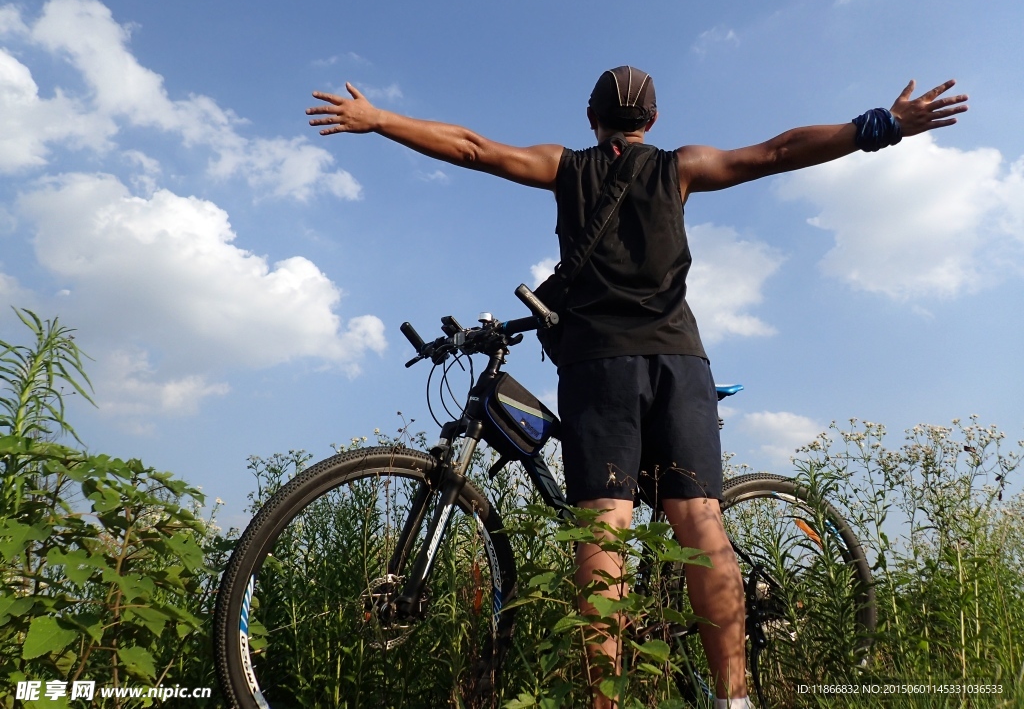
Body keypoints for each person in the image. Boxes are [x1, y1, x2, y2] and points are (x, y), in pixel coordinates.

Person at [306, 67, 967, 709]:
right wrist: (878, 126)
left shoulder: (567, 168)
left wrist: (379, 119)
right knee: (699, 524)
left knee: (605, 528)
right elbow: (777, 150)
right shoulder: (681, 167)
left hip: (599, 364)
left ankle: (607, 701)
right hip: (679, 360)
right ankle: (733, 699)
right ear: (653, 121)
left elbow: (476, 149)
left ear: (592, 120)